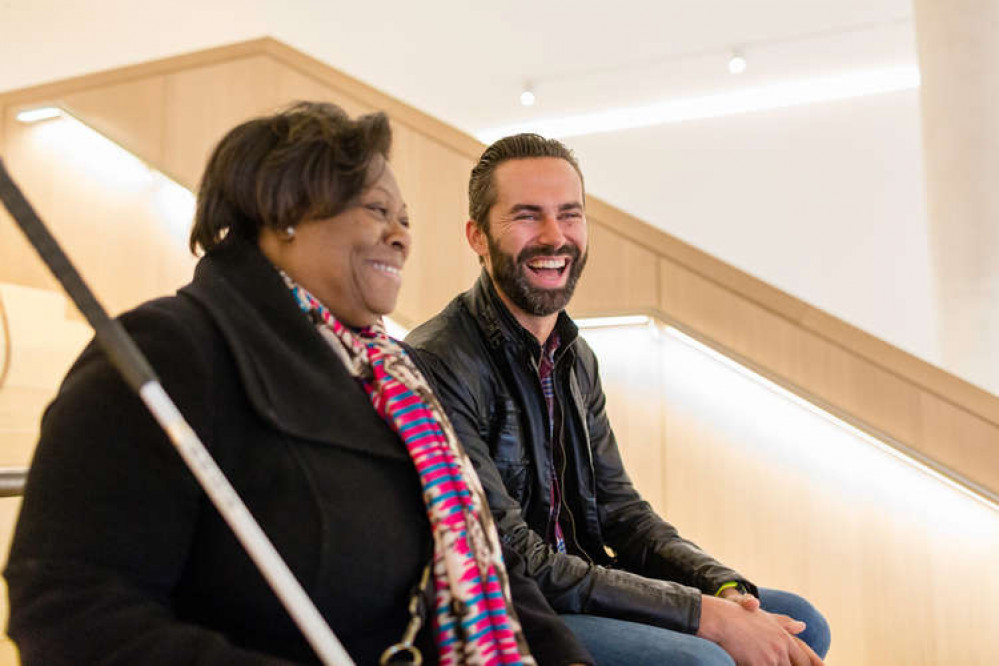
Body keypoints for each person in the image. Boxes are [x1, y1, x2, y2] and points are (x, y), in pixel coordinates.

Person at [4, 104, 594, 666]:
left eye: (405, 219)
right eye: (374, 210)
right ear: (283, 213)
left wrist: (562, 655)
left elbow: (483, 550)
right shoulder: (168, 353)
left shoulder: (397, 376)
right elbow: (70, 610)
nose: (401, 237)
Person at [405, 134, 832, 666]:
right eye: (527, 216)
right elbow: (511, 555)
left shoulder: (574, 354)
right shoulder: (435, 361)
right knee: (705, 661)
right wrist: (699, 615)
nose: (554, 237)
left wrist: (722, 591)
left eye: (569, 215)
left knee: (803, 621)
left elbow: (622, 514)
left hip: (585, 585)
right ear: (478, 236)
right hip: (517, 611)